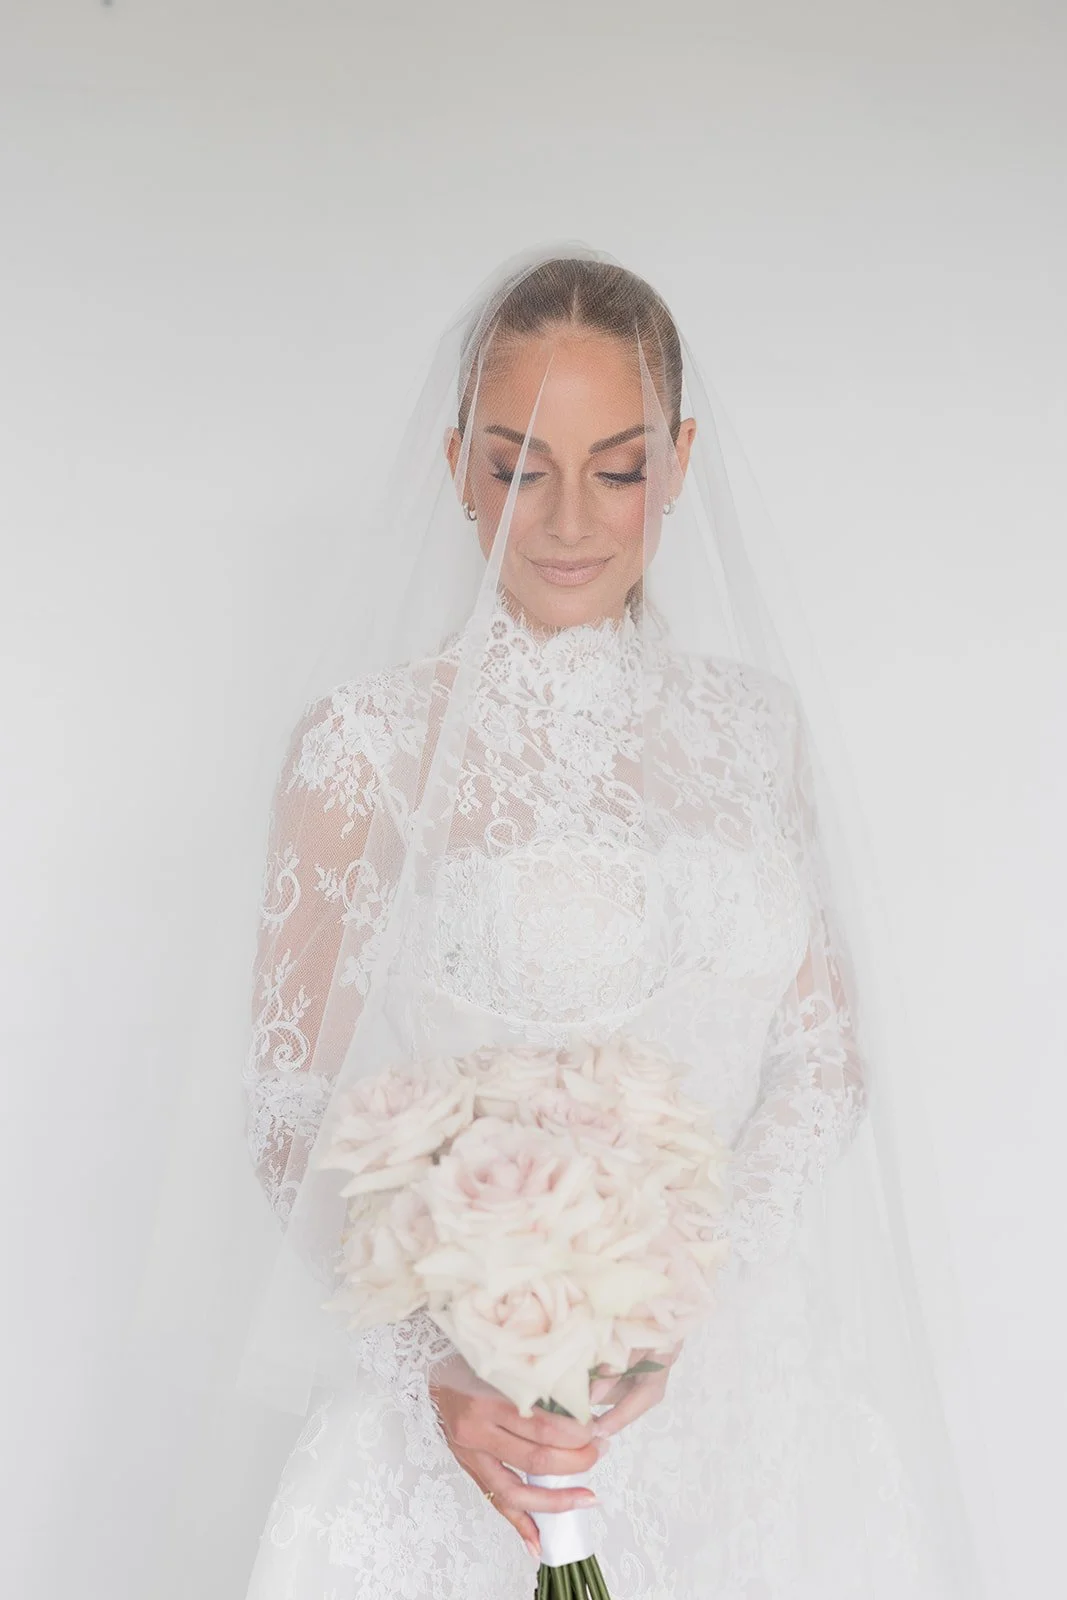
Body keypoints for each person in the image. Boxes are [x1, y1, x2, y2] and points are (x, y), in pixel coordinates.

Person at [238, 246, 984, 1598]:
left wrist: (676, 1299)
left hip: (749, 1418)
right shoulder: (366, 747)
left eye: (619, 467)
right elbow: (290, 1106)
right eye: (521, 465)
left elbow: (822, 1061)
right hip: (482, 1425)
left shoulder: (752, 730)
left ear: (680, 460)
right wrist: (446, 1361)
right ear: (458, 465)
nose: (568, 519)